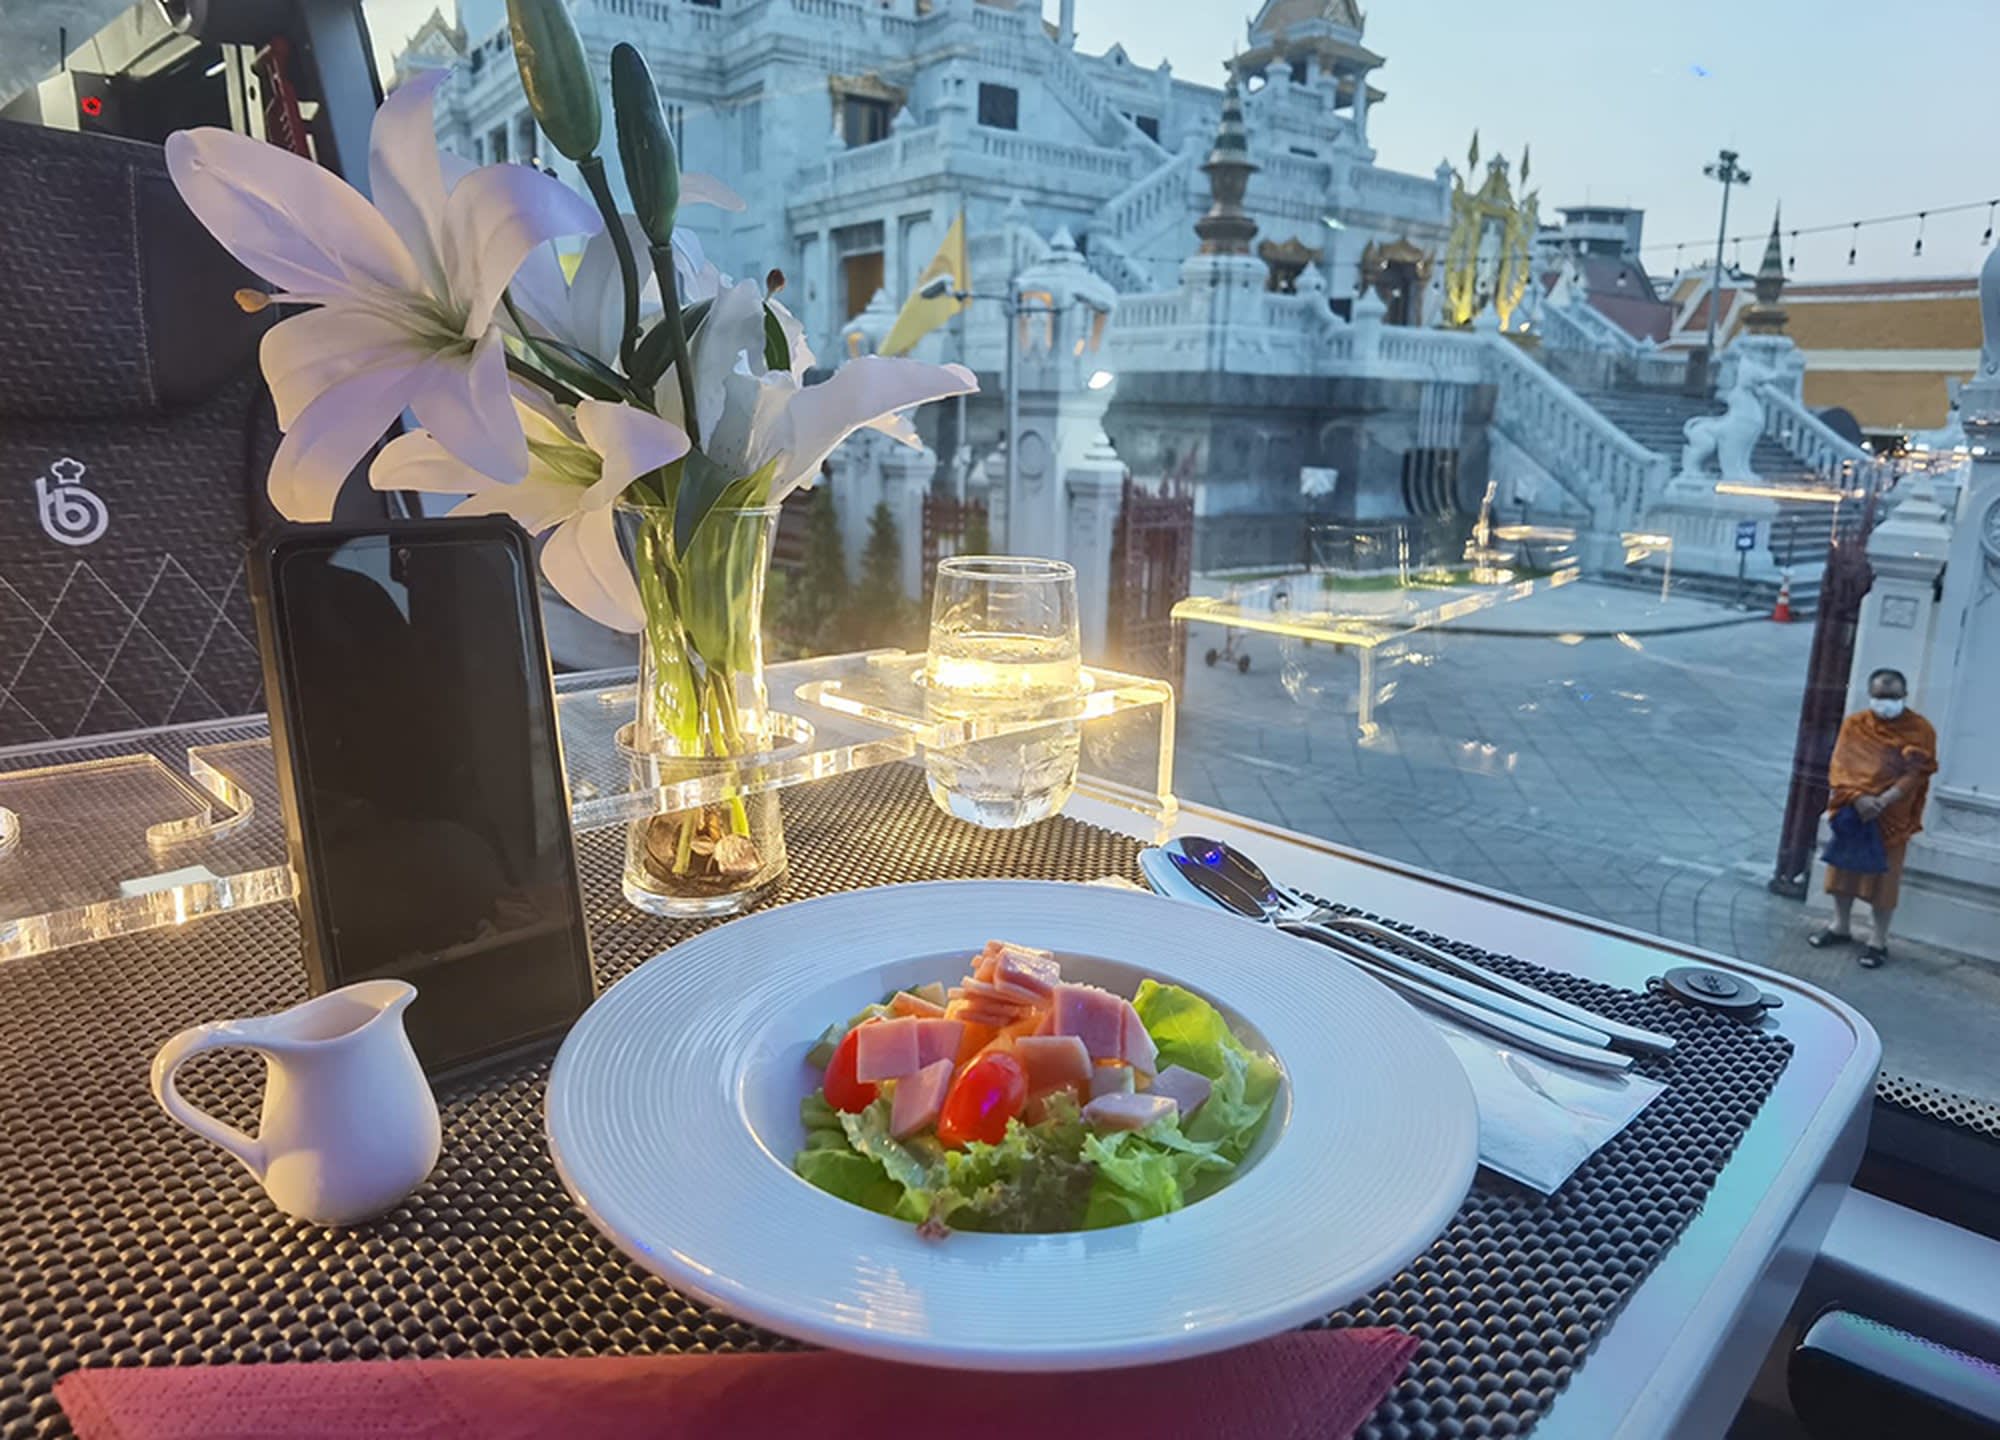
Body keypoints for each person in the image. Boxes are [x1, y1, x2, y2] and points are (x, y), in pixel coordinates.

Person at [1808, 668, 1939, 967]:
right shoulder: (1855, 725)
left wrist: (1884, 800)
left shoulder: (1920, 730)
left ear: (1905, 696)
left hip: (1892, 814)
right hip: (1854, 809)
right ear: (1870, 695)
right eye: (1880, 696)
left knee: (1884, 881)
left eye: (1892, 696)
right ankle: (1840, 926)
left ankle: (1878, 941)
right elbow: (1840, 766)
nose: (1886, 702)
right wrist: (1858, 798)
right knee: (1842, 872)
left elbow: (1917, 772)